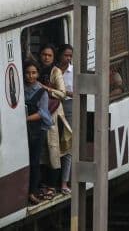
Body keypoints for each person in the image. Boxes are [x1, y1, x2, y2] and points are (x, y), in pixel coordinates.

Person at [37, 45, 69, 196]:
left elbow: (62, 94)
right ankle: (43, 185)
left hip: (53, 114)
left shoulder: (55, 72)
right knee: (42, 150)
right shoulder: (36, 70)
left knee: (53, 148)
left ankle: (52, 186)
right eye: (44, 54)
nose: (46, 58)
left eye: (49, 55)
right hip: (39, 114)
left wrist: (46, 88)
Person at [24, 58, 52, 205]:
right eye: (28, 73)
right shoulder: (19, 89)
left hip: (37, 131)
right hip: (24, 131)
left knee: (34, 162)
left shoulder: (42, 92)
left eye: (34, 73)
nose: (31, 76)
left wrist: (25, 119)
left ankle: (33, 192)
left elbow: (42, 113)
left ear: (37, 74)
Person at [56, 45, 73, 193]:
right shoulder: (54, 71)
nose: (68, 58)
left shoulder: (72, 72)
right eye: (66, 55)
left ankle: (64, 182)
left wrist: (63, 92)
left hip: (68, 107)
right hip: (54, 108)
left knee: (68, 143)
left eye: (70, 56)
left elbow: (75, 93)